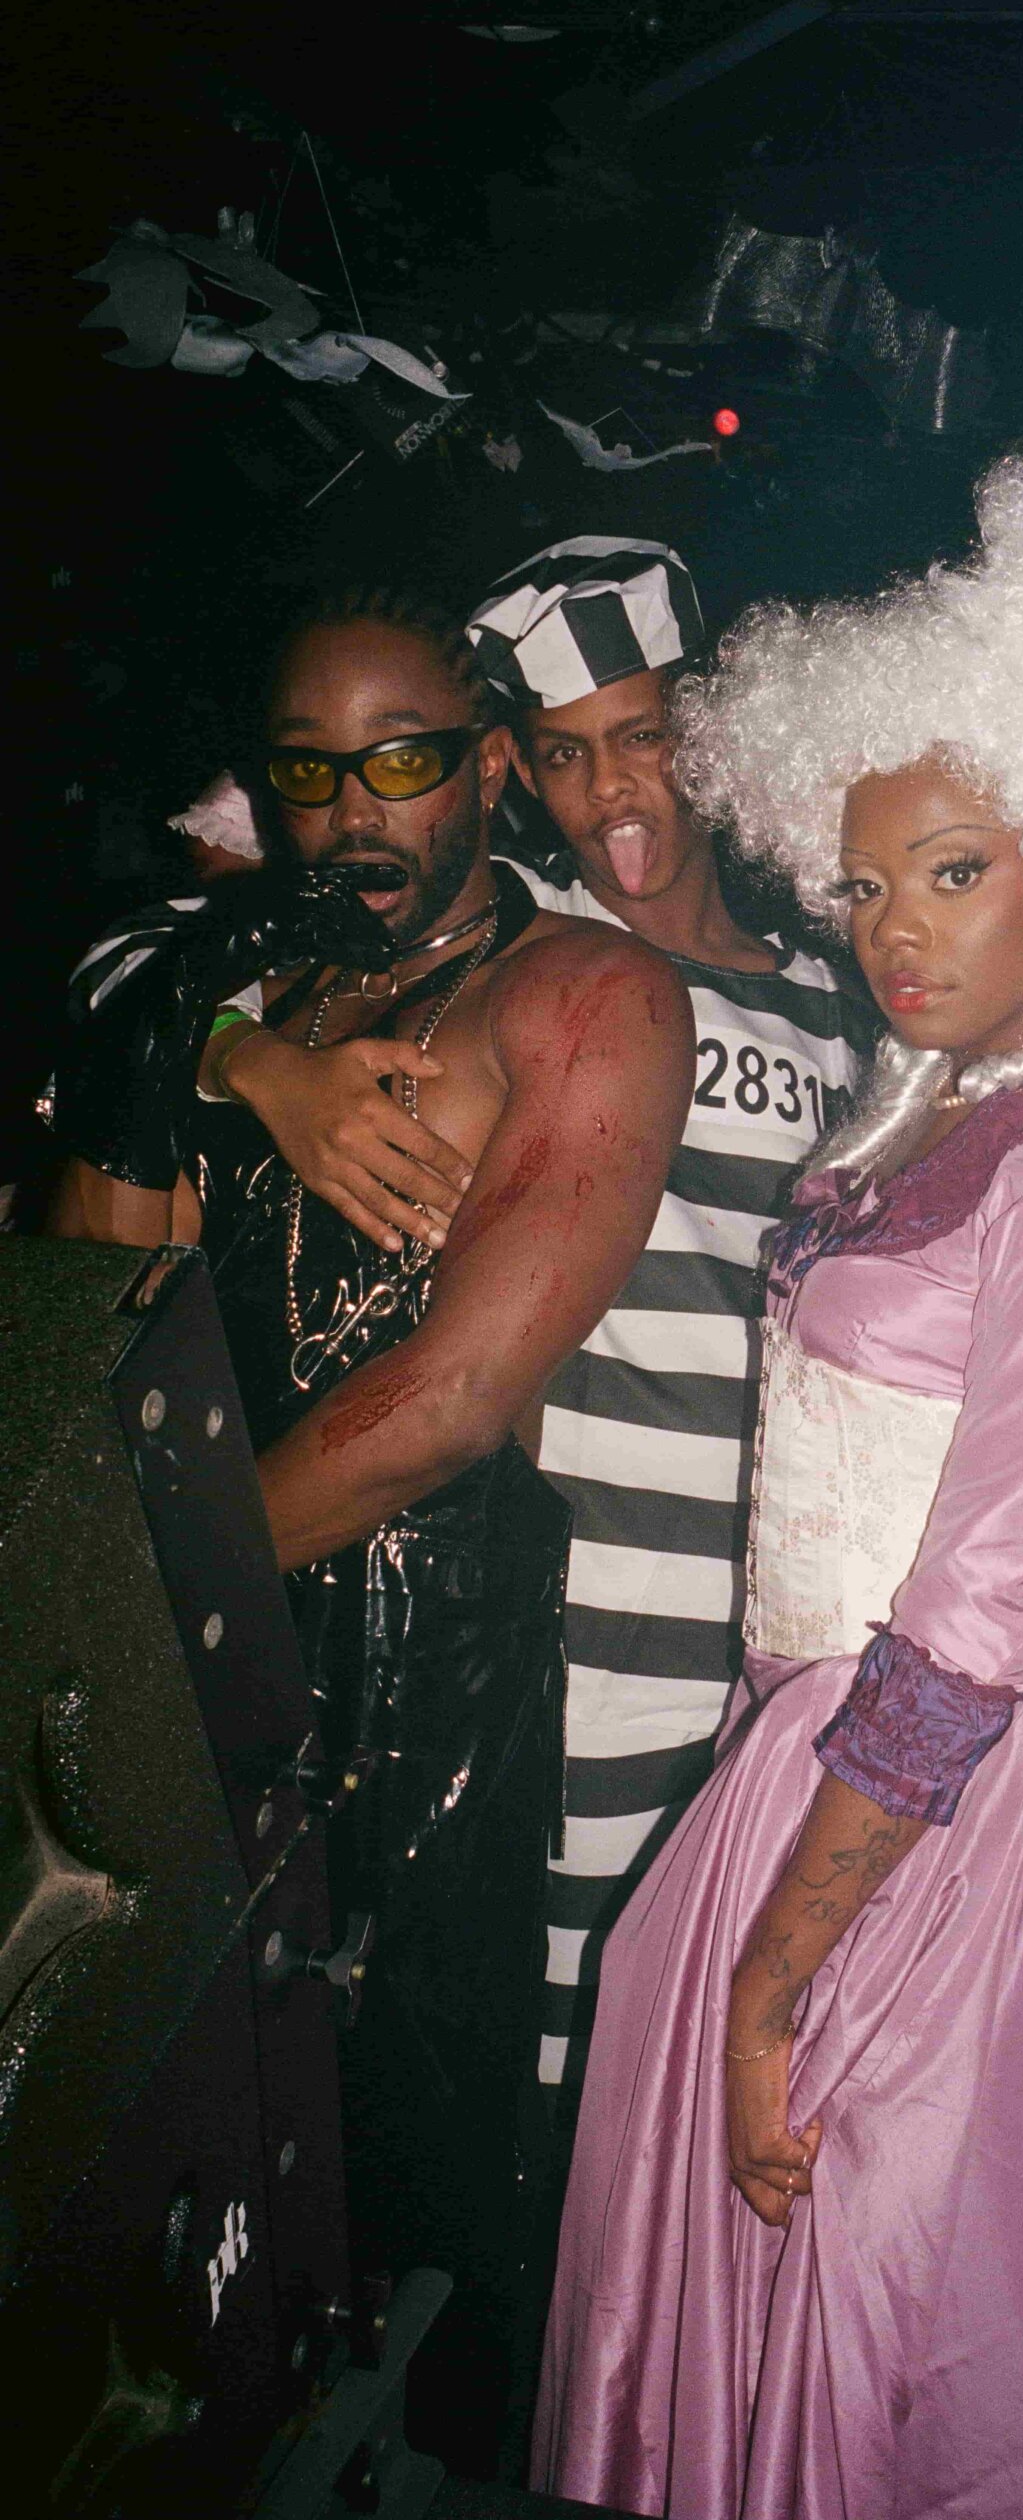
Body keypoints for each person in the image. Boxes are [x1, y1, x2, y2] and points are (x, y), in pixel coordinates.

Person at [530, 430, 1023, 2520]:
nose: (894, 928)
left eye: (955, 870)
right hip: (823, 1737)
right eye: (866, 880)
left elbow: (973, 1614)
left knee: (912, 2316)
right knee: (810, 2321)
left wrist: (782, 1970)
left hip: (968, 1800)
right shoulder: (925, 1109)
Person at [48, 586, 696, 2475]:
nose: (355, 813)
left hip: (406, 1661)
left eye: (404, 761)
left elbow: (445, 1408)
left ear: (487, 766)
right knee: (158, 2184)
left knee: (384, 2207)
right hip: (184, 1636)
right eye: (312, 771)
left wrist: (148, 1609)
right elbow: (97, 1305)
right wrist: (223, 1050)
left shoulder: (583, 994)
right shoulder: (255, 1000)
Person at [176, 537, 874, 2105]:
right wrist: (253, 1060)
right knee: (522, 2039)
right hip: (542, 1579)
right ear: (507, 775)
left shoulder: (845, 998)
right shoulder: (517, 940)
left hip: (755, 1603)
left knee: (673, 2041)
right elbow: (157, 946)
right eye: (562, 754)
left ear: (718, 737)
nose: (610, 790)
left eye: (645, 737)